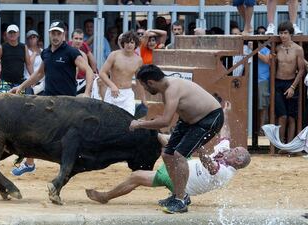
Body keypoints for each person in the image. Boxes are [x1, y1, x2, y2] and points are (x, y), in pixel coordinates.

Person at [86, 101, 251, 206]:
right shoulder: (226, 151)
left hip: (180, 181)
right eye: (235, 148)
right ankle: (147, 131)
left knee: (136, 176)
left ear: (237, 162)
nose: (232, 148)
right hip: (187, 164)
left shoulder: (226, 173)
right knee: (165, 139)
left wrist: (198, 144)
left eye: (236, 152)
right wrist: (225, 114)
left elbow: (208, 164)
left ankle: (105, 196)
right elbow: (225, 135)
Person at [129, 64, 224, 213]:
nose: (146, 90)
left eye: (144, 86)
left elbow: (165, 121)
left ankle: (180, 201)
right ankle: (180, 194)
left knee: (179, 155)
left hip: (210, 118)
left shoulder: (171, 89)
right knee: (167, 154)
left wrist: (140, 124)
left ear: (150, 82)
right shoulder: (166, 88)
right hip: (189, 120)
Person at [9, 20, 94, 176]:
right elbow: (40, 73)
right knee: (30, 128)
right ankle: (29, 163)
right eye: (53, 33)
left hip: (67, 103)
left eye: (58, 33)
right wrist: (21, 87)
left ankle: (73, 165)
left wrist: (87, 92)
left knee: (67, 137)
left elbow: (89, 71)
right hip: (48, 100)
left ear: (64, 35)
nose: (55, 36)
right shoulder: (46, 52)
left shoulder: (71, 52)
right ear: (49, 34)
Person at [99, 31, 146, 116]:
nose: (129, 45)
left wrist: (144, 99)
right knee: (109, 119)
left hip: (127, 94)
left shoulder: (138, 60)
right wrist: (112, 85)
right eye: (127, 42)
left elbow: (139, 81)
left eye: (132, 42)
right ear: (123, 43)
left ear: (136, 44)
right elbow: (102, 72)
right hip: (112, 92)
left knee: (129, 120)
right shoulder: (114, 55)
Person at [274, 21, 305, 143]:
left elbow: (301, 70)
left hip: (291, 82)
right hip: (278, 83)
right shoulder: (276, 48)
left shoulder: (298, 49)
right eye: (281, 33)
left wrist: (293, 87)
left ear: (290, 34)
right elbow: (270, 62)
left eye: (285, 33)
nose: (283, 36)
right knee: (282, 115)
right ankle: (280, 144)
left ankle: (290, 145)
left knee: (292, 116)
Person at [0, 24, 33, 93]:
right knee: (4, 103)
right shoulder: (1, 48)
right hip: (5, 82)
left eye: (14, 32)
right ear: (7, 34)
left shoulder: (24, 47)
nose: (12, 34)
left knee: (20, 102)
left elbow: (28, 64)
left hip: (20, 82)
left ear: (18, 34)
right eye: (10, 32)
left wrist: (33, 79)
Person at [24, 30, 43, 95]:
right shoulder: (26, 51)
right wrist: (34, 53)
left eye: (34, 37)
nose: (32, 39)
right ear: (27, 40)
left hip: (41, 81)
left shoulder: (42, 51)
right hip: (29, 81)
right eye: (30, 37)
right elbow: (29, 64)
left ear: (37, 38)